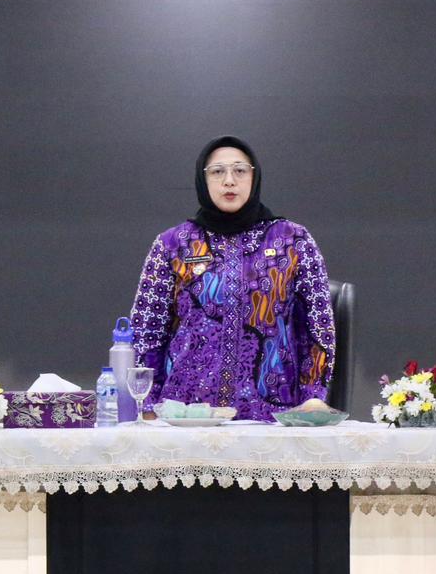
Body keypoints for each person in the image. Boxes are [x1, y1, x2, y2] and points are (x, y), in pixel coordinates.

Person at [130, 135, 336, 421]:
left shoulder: (293, 241)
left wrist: (313, 396)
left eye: (240, 170)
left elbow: (317, 327)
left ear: (254, 177)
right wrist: (147, 405)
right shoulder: (173, 244)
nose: (229, 181)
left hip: (273, 418)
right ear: (203, 180)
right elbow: (146, 332)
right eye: (217, 172)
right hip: (185, 418)